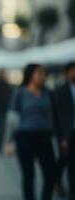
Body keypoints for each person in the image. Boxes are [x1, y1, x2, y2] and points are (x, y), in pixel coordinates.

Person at [5, 64, 56, 200]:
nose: (42, 76)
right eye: (39, 73)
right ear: (30, 75)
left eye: (43, 73)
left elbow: (55, 116)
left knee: (50, 174)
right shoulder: (20, 92)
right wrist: (9, 142)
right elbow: (12, 118)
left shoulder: (48, 92)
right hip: (25, 137)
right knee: (29, 175)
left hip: (45, 137)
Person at [54, 62, 75, 200]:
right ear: (67, 73)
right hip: (67, 133)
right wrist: (61, 137)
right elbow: (57, 116)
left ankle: (70, 188)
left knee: (71, 161)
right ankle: (60, 183)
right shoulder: (60, 91)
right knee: (66, 160)